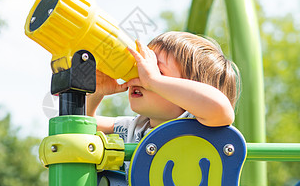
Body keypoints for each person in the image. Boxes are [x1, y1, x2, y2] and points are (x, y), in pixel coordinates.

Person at [87, 31, 240, 143]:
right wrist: (96, 92)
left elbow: (222, 108)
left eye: (157, 70)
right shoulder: (136, 126)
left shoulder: (198, 126)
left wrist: (154, 81)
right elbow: (83, 125)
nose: (142, 77)